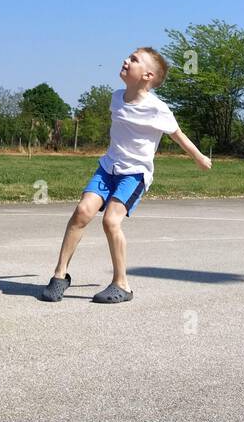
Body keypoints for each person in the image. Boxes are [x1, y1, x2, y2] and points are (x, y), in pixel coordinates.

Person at [40, 47, 211, 304]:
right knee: (82, 212)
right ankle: (59, 276)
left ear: (148, 76)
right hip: (108, 168)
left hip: (134, 174)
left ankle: (122, 285)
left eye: (134, 60)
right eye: (128, 56)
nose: (126, 60)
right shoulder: (116, 97)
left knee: (110, 221)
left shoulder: (158, 109)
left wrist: (199, 157)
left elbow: (178, 135)